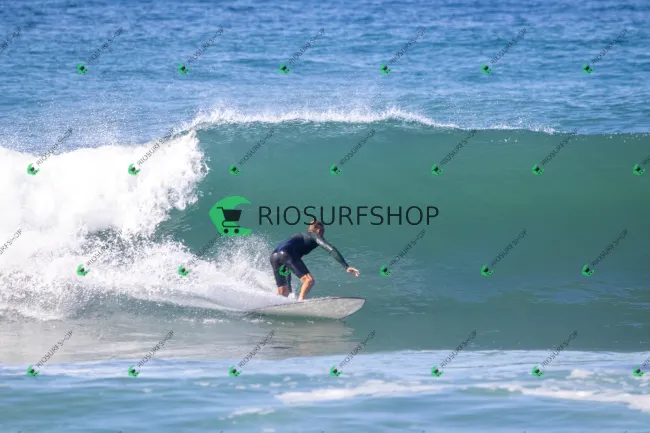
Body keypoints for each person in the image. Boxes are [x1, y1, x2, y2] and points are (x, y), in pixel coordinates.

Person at [270, 219, 360, 301]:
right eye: (323, 230)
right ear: (318, 229)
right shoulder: (314, 236)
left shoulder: (297, 237)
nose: (322, 233)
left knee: (284, 292)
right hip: (287, 254)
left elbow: (286, 266)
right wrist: (346, 266)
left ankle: (275, 303)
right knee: (309, 281)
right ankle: (301, 301)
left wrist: (289, 290)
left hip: (274, 256)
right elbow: (331, 249)